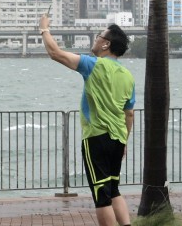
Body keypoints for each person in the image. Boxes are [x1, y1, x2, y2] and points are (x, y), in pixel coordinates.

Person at [40, 13, 135, 226]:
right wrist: (125, 141)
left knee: (102, 196)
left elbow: (55, 53)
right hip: (118, 138)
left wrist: (44, 29)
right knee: (114, 189)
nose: (96, 38)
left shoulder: (93, 65)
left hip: (96, 138)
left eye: (99, 36)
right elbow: (129, 114)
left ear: (106, 44)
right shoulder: (128, 76)